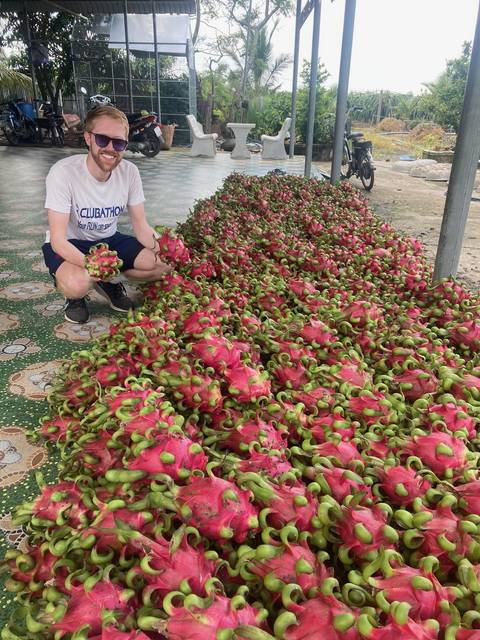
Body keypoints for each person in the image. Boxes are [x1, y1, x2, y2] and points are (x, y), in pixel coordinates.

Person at [42, 104, 171, 324]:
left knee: (161, 266)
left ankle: (108, 282)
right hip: (72, 243)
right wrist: (95, 265)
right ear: (88, 138)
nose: (111, 148)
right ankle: (75, 297)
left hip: (110, 240)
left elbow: (141, 226)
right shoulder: (63, 173)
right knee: (76, 285)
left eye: (119, 143)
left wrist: (168, 248)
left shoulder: (130, 172)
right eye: (103, 139)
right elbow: (58, 240)